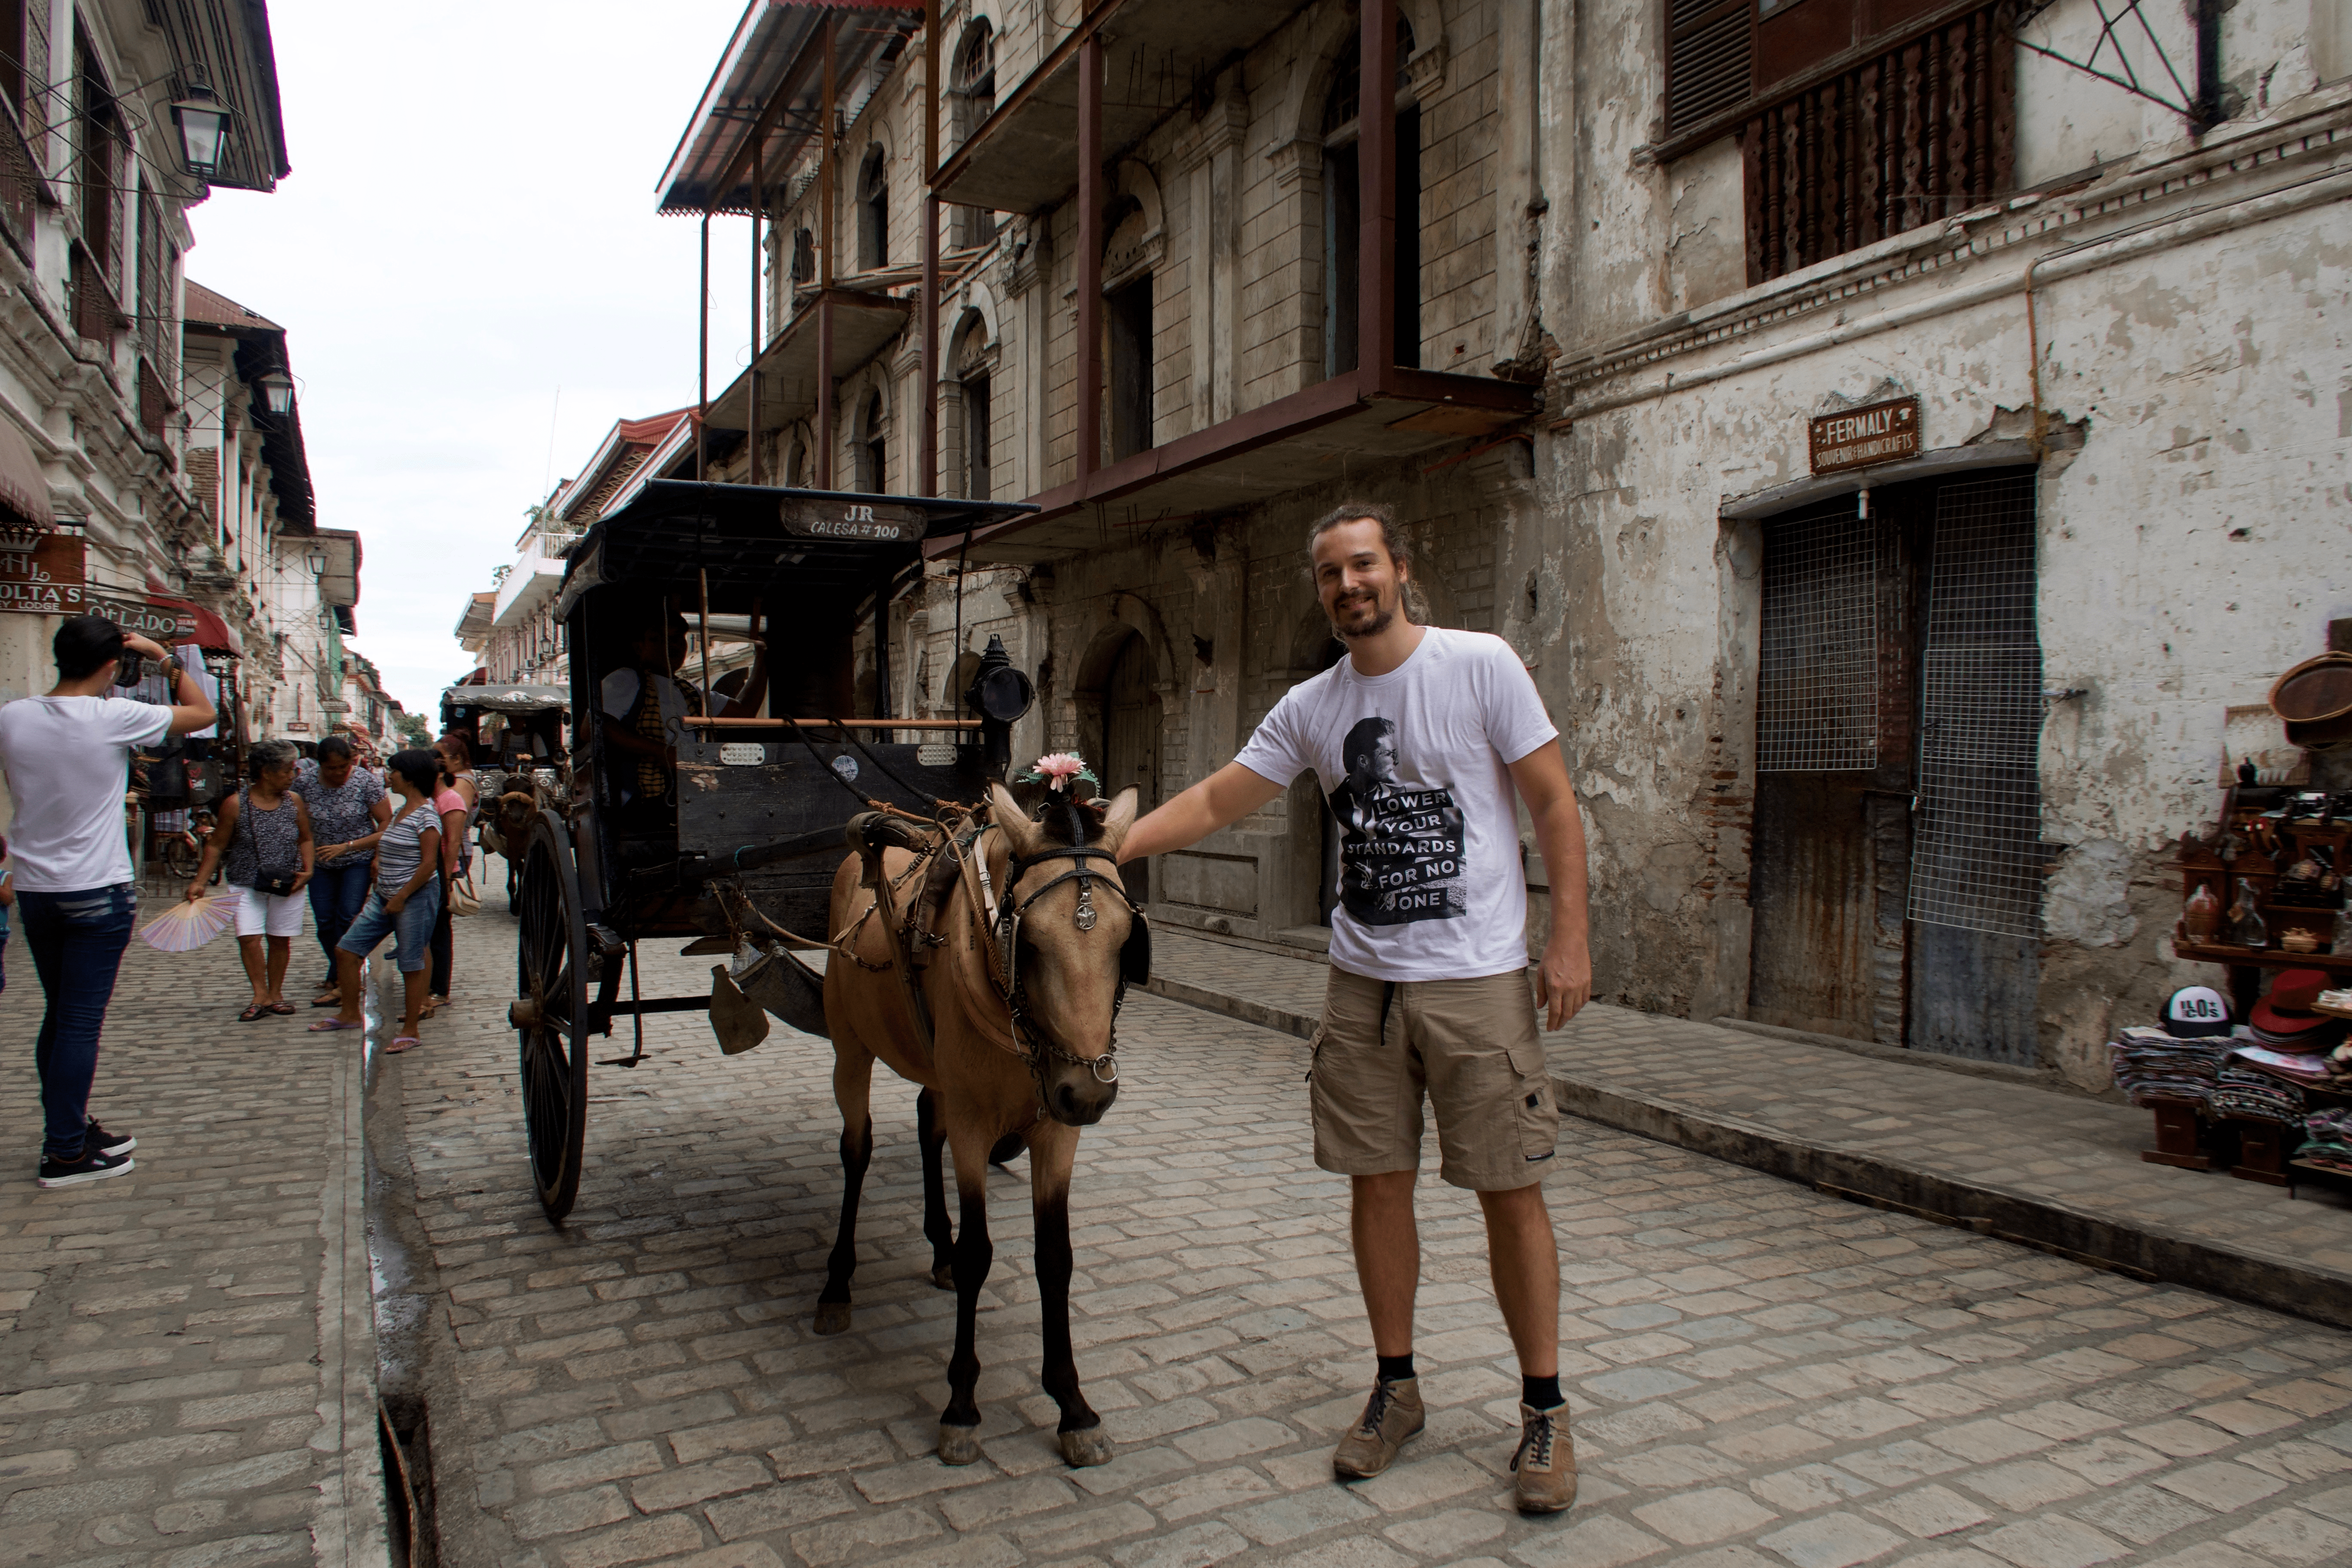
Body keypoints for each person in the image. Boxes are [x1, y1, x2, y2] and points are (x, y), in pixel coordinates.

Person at [1118, 502, 1594, 1514]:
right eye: (1330, 573)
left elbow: (1551, 801)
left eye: (1363, 565)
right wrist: (1107, 847)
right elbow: (1215, 799)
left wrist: (1567, 939)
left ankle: (1543, 1410)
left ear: (1400, 569)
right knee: (1375, 1187)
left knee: (1509, 1192)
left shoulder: (1479, 664)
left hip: (1475, 985)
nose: (1349, 586)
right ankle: (1394, 1387)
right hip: (1360, 987)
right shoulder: (1313, 705)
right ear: (1320, 589)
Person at [0, 614, 216, 1186]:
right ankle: (65, 1151)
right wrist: (161, 657)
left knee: (59, 1015)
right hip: (96, 889)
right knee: (78, 1025)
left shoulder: (13, 717)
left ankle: (70, 1124)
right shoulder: (114, 715)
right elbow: (203, 712)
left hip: (37, 890)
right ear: (111, 665)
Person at [310, 748, 443, 1052]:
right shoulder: (403, 811)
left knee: (411, 963)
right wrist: (347, 848)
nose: (389, 776)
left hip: (413, 897)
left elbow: (428, 865)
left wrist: (402, 897)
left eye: (393, 772)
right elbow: (387, 836)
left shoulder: (426, 815)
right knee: (346, 950)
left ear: (408, 778)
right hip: (386, 894)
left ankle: (410, 1030)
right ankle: (349, 1013)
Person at [187, 738, 315, 1021]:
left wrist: (308, 869)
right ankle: (260, 994)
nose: (293, 776)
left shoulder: (293, 802)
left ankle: (276, 994)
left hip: (288, 881)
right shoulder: (236, 804)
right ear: (267, 773)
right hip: (246, 880)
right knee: (249, 937)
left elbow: (305, 838)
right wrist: (199, 881)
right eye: (287, 771)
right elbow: (217, 845)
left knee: (280, 939)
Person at [597, 610, 768, 811]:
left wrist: (763, 658)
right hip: (639, 798)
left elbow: (743, 712)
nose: (673, 645)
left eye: (679, 638)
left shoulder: (690, 691)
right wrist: (661, 752)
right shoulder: (625, 679)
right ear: (638, 647)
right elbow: (597, 727)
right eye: (659, 638)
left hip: (687, 792)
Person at [294, 736, 391, 1006]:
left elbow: (385, 822)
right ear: (320, 766)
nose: (338, 774)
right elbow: (299, 823)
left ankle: (342, 978)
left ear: (352, 763)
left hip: (357, 858)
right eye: (331, 769)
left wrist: (376, 857)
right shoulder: (304, 784)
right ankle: (340, 971)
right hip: (321, 862)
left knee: (347, 916)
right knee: (324, 922)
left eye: (343, 768)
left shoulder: (366, 782)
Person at [423, 741, 474, 1014]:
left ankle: (439, 988)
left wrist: (444, 877)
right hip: (432, 871)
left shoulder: (450, 799)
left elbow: (453, 841)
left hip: (442, 871)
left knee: (440, 931)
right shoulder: (433, 799)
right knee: (431, 930)